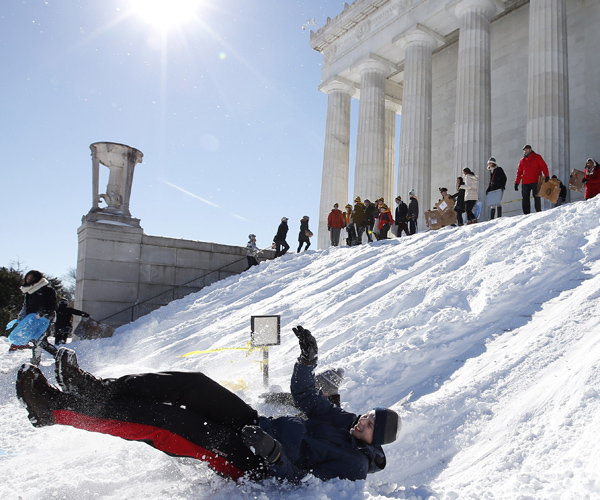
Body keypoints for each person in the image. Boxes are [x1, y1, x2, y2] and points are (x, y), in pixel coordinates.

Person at [16, 326, 401, 483]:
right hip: (254, 425)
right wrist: (307, 362)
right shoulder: (343, 419)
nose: (362, 419)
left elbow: (303, 482)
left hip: (247, 459)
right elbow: (306, 398)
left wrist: (273, 454)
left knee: (165, 421)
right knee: (194, 386)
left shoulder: (352, 465)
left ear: (372, 441)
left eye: (368, 423)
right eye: (367, 414)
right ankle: (94, 391)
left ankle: (52, 409)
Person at [9, 270, 57, 355]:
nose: (28, 280)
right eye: (27, 278)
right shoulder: (29, 292)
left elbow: (53, 306)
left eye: (31, 278)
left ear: (37, 278)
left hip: (45, 319)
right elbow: (26, 306)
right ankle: (56, 356)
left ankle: (57, 356)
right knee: (36, 340)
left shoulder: (48, 290)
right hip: (32, 319)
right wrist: (21, 318)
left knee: (39, 340)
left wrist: (43, 313)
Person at [261, 367, 345, 409]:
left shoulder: (329, 410)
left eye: (317, 385)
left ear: (327, 391)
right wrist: (276, 397)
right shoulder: (317, 399)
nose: (314, 386)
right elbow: (296, 400)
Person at [514, 144, 549, 214]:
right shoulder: (522, 160)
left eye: (526, 149)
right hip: (525, 182)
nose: (525, 151)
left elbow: (544, 167)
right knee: (525, 197)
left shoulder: (537, 157)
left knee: (536, 196)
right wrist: (516, 183)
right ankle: (526, 213)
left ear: (530, 149)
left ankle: (538, 211)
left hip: (536, 180)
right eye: (524, 150)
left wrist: (547, 176)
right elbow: (519, 172)